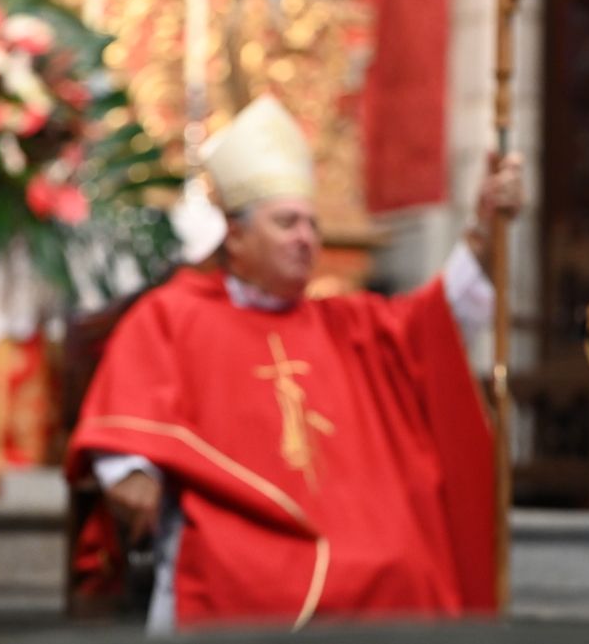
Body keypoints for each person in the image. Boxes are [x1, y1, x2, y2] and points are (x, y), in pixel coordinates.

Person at [67, 94, 523, 632]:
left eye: (312, 224)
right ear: (235, 235)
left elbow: (441, 323)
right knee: (255, 584)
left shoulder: (346, 322)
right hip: (238, 538)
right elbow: (126, 417)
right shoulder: (173, 316)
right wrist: (133, 471)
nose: (306, 238)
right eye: (287, 223)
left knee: (409, 570)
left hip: (363, 541)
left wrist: (483, 229)